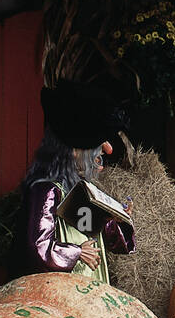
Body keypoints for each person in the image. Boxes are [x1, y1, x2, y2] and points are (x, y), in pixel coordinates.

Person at [10, 80, 135, 280]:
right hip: (58, 294)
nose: (106, 149)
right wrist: (76, 252)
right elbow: (37, 248)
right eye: (97, 142)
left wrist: (116, 218)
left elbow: (114, 243)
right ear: (73, 149)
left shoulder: (82, 190)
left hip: (88, 291)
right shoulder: (47, 190)